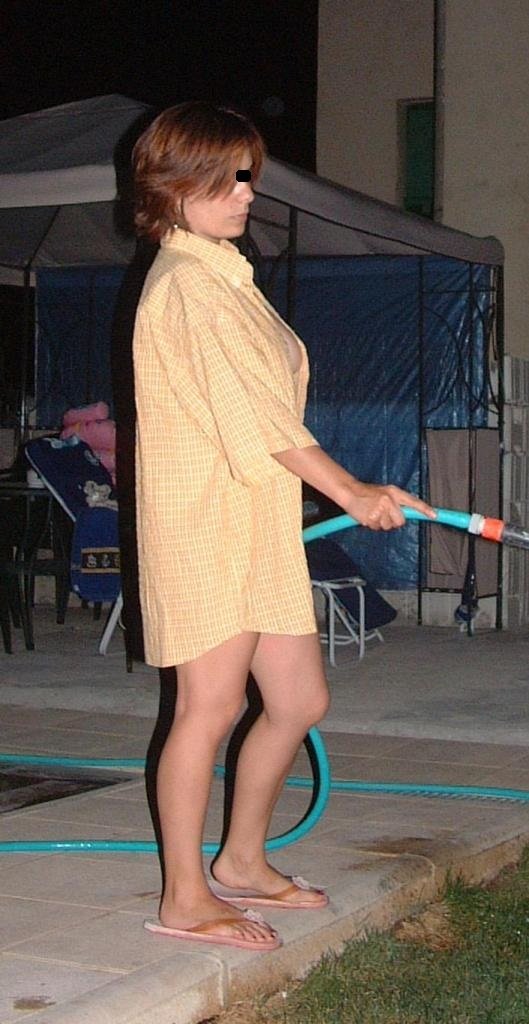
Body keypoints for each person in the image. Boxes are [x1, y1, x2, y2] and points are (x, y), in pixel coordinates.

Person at [131, 101, 436, 952]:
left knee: (299, 699)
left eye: (247, 178)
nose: (245, 193)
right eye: (227, 179)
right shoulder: (187, 285)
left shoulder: (225, 276)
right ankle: (184, 896)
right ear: (174, 185)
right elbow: (255, 418)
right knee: (210, 706)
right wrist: (350, 491)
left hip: (255, 521)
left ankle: (239, 859)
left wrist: (357, 488)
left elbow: (268, 411)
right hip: (204, 525)